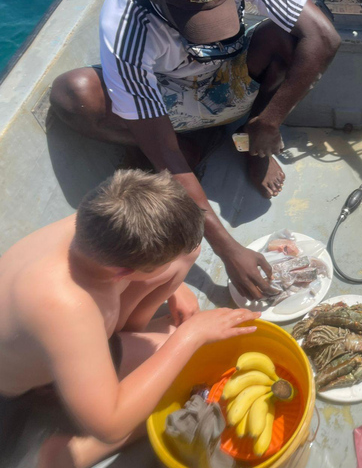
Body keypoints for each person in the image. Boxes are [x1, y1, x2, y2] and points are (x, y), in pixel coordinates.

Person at [48, 0, 341, 302]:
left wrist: (269, 121)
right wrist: (228, 249)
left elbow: (323, 36)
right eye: (194, 21)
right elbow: (165, 155)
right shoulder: (128, 25)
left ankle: (246, 141)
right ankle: (186, 142)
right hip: (167, 94)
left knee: (293, 32)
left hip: (229, 79)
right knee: (73, 94)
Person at [0, 170, 260, 468]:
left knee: (185, 258)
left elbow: (161, 257)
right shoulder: (66, 308)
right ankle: (58, 453)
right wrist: (190, 336)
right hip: (30, 394)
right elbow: (110, 424)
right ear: (123, 272)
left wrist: (176, 286)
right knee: (181, 370)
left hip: (54, 342)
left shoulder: (95, 224)